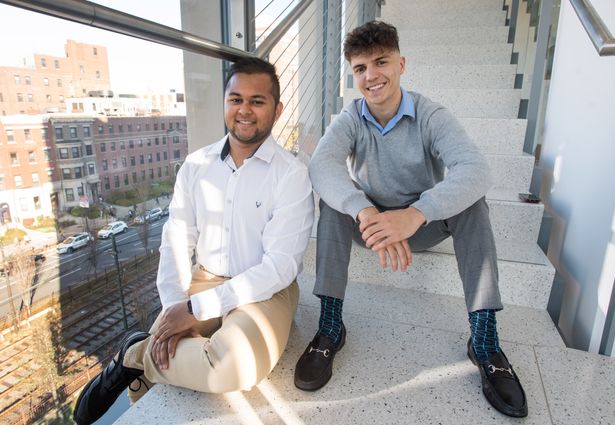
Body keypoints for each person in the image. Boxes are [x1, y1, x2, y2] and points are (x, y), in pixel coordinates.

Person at [293, 21, 527, 418]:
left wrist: (415, 214)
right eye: (361, 69)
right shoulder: (350, 118)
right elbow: (322, 166)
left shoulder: (431, 115)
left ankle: (484, 341)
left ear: (401, 63)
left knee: (473, 204)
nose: (371, 76)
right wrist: (366, 211)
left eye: (380, 62)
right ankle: (331, 326)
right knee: (333, 203)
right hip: (368, 225)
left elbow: (476, 169)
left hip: (420, 226)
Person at [73, 57, 315, 425]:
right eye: (235, 99)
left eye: (257, 101)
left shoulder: (292, 175)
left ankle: (133, 356)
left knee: (234, 368)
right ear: (224, 104)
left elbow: (279, 266)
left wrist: (195, 311)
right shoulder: (196, 165)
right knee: (165, 348)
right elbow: (175, 239)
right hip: (205, 278)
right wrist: (175, 304)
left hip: (267, 289)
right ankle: (151, 362)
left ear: (277, 109)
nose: (244, 110)